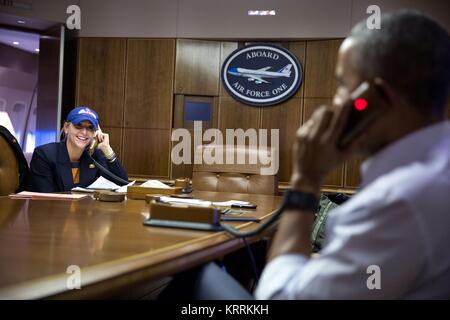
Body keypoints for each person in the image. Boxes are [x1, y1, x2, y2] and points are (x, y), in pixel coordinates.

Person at [255, 10, 450, 299]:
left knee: (198, 277)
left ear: (375, 99)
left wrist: (305, 180)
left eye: (342, 86)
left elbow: (278, 297)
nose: (335, 103)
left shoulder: (398, 200)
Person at [29, 106, 128, 192]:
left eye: (90, 128)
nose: (84, 132)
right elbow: (45, 197)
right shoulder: (44, 155)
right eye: (78, 126)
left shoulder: (94, 156)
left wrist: (107, 149)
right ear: (66, 128)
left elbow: (122, 184)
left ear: (95, 133)